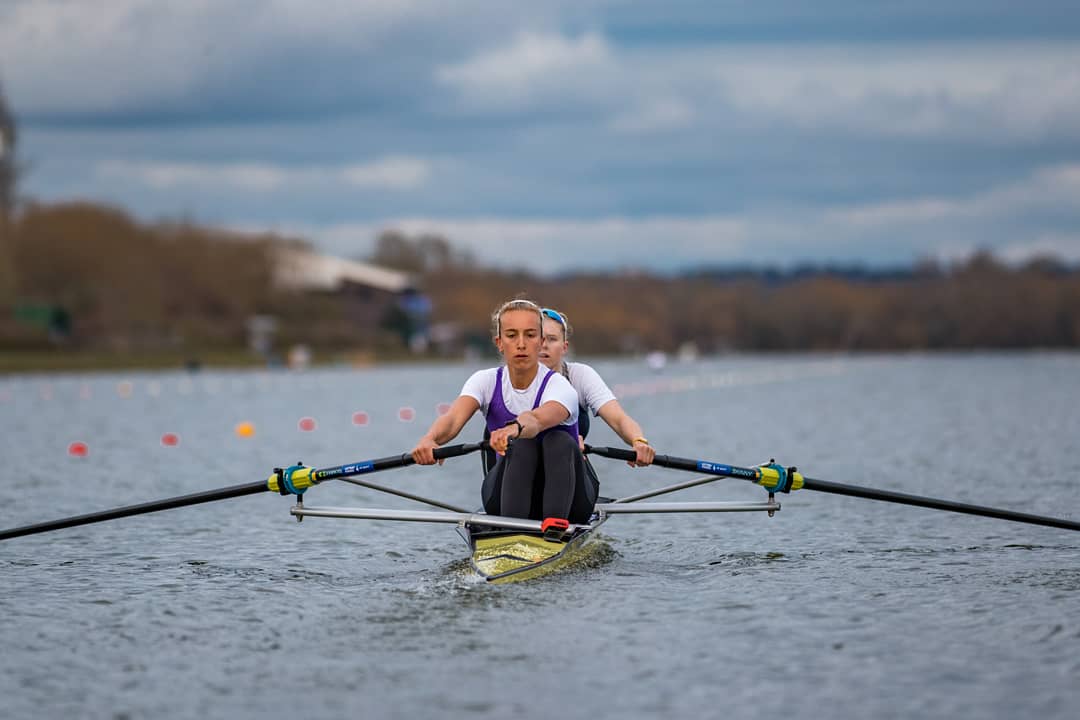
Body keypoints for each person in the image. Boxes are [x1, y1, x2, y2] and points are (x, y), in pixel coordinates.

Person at [411, 299, 596, 524]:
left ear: (540, 342)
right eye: (511, 335)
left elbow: (536, 420)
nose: (521, 344)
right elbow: (452, 419)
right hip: (506, 495)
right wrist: (430, 439)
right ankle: (511, 532)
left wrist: (513, 429)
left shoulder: (560, 386)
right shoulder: (484, 381)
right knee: (521, 445)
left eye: (529, 335)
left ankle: (553, 527)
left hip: (569, 500)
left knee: (556, 439)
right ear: (499, 343)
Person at [539, 307, 656, 467]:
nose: (544, 345)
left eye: (552, 339)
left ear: (565, 347)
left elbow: (619, 419)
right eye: (537, 337)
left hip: (570, 468)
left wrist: (638, 441)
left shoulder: (580, 375)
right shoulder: (503, 378)